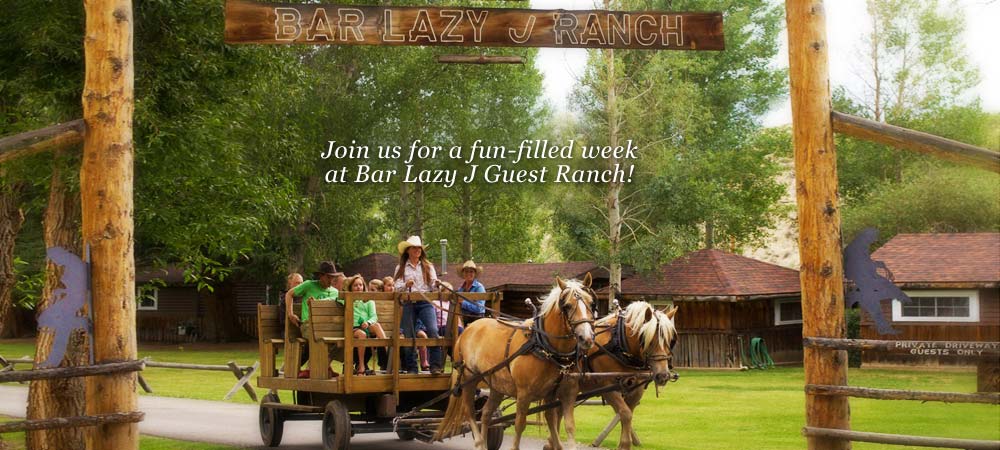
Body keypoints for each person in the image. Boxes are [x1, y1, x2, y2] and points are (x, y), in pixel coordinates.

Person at [393, 235, 443, 374]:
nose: (417, 250)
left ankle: (435, 365)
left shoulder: (428, 266)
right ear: (408, 250)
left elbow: (432, 284)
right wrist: (405, 285)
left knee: (433, 330)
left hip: (425, 302)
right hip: (409, 303)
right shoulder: (401, 267)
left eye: (419, 248)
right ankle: (412, 367)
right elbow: (396, 288)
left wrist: (437, 283)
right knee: (409, 335)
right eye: (414, 248)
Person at [285, 261, 342, 376]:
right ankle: (310, 369)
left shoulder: (336, 292)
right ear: (321, 276)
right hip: (308, 325)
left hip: (328, 327)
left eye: (333, 277)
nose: (331, 280)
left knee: (343, 340)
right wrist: (290, 314)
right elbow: (289, 294)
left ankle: (325, 365)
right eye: (329, 277)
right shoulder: (309, 285)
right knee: (319, 337)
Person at [342, 274, 389, 375]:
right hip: (353, 328)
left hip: (366, 326)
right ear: (351, 288)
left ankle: (389, 356)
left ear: (364, 286)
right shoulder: (348, 299)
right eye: (355, 285)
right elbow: (337, 298)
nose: (359, 287)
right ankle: (361, 365)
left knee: (377, 326)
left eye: (360, 285)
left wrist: (368, 322)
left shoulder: (368, 300)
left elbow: (374, 316)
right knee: (361, 334)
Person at [456, 260, 486, 325]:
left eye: (471, 272)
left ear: (475, 274)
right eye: (466, 271)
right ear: (463, 274)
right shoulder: (460, 289)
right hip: (463, 318)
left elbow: (479, 309)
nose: (468, 274)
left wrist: (463, 303)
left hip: (477, 319)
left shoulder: (479, 287)